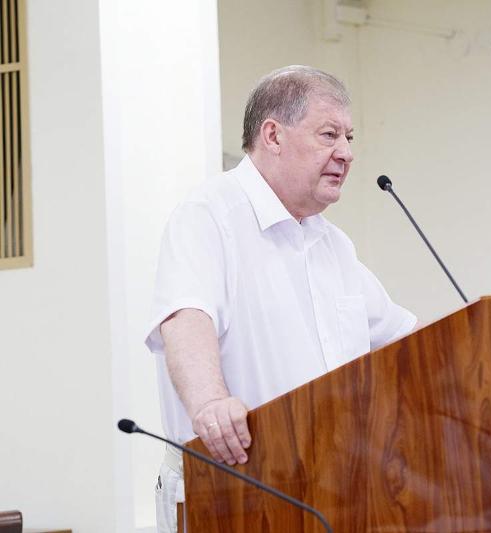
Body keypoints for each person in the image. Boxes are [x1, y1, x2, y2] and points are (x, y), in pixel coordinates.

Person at [144, 65, 416, 533]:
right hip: (232, 489)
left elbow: (405, 341)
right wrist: (211, 403)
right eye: (329, 134)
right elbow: (185, 319)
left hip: (333, 492)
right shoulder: (208, 216)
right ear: (273, 135)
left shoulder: (334, 245)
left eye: (349, 137)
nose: (346, 153)